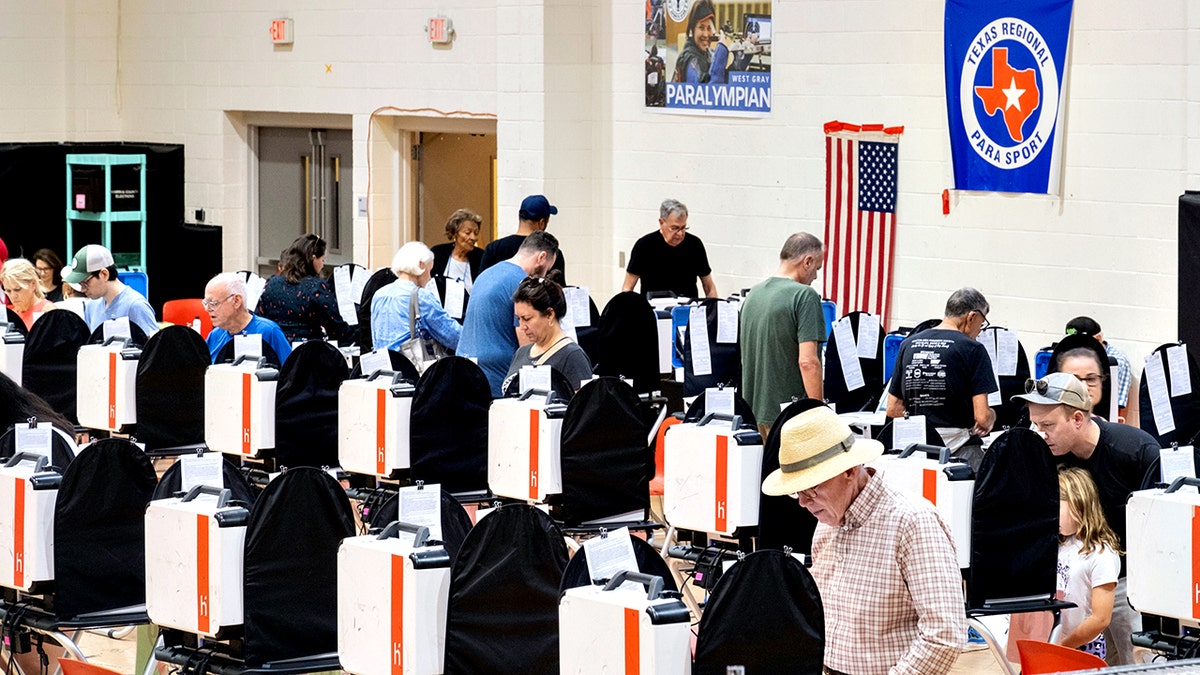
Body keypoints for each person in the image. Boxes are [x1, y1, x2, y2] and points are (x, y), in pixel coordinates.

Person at [761, 405, 965, 675]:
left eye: (811, 488)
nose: (802, 502)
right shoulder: (826, 523)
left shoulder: (913, 522)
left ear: (848, 471)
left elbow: (944, 636)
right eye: (796, 492)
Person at [1015, 372, 1159, 666]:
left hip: (1130, 582)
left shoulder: (1134, 451)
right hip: (1076, 577)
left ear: (1078, 419)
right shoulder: (1047, 453)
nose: (1040, 434)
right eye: (1035, 424)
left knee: (1135, 662)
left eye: (1048, 425)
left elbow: (1162, 527)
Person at [886, 287, 997, 469]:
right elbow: (982, 417)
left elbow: (892, 409)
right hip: (959, 451)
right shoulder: (973, 349)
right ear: (972, 317)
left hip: (916, 451)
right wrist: (992, 417)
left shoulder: (908, 344)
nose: (980, 330)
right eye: (982, 323)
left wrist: (926, 422)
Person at [739, 233, 825, 437]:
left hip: (751, 415)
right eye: (817, 269)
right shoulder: (804, 296)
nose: (816, 277)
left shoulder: (753, 295)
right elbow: (808, 362)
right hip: (790, 418)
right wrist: (820, 415)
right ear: (808, 262)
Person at [458, 230, 559, 397]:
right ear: (541, 257)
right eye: (547, 269)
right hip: (497, 378)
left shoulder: (486, 274)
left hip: (465, 371)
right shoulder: (522, 282)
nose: (545, 275)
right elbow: (527, 344)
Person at [1055, 466, 1122, 660]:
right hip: (1053, 640)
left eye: (1057, 506)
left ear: (1078, 504)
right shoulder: (1060, 543)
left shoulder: (1101, 553)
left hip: (1082, 646)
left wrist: (1064, 646)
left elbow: (1100, 618)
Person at [255, 233, 355, 345]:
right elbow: (336, 328)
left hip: (276, 348)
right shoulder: (316, 288)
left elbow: (260, 318)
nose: (322, 265)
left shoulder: (271, 283)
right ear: (313, 258)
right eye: (323, 260)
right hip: (307, 353)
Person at [501, 275, 593, 394]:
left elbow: (581, 408)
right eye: (518, 319)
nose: (522, 326)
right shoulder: (521, 352)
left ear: (549, 314)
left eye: (527, 318)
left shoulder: (572, 356)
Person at [370, 241, 462, 353]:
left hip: (383, 365)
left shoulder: (379, 294)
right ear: (421, 265)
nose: (429, 278)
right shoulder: (421, 297)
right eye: (429, 271)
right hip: (409, 365)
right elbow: (452, 335)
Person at [621, 198, 717, 298]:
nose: (680, 234)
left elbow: (709, 287)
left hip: (686, 310)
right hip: (654, 310)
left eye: (683, 228)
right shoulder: (644, 246)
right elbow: (627, 288)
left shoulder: (695, 245)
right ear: (661, 222)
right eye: (675, 228)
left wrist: (714, 310)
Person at [61, 244, 159, 336]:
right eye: (79, 283)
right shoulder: (91, 305)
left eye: (85, 282)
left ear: (104, 274)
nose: (82, 289)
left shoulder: (136, 306)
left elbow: (154, 349)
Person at [203, 272, 293, 365]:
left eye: (213, 303)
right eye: (205, 303)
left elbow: (291, 372)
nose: (207, 309)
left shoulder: (269, 331)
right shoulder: (214, 336)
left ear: (236, 301)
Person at [478, 195, 566, 282]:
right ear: (542, 223)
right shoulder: (551, 254)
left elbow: (481, 282)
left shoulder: (493, 248)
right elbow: (560, 291)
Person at [1065, 316, 1133, 418]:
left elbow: (1116, 406)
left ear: (1098, 339)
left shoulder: (1117, 361)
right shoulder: (1067, 357)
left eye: (1080, 344)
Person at [672, 0, 752, 84]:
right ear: (692, 29)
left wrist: (742, 58)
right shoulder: (690, 58)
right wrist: (721, 51)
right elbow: (710, 91)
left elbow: (725, 82)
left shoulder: (709, 53)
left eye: (709, 28)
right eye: (701, 28)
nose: (706, 34)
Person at [430, 208, 484, 293]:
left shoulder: (480, 257)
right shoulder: (438, 253)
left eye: (476, 233)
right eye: (467, 233)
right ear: (455, 233)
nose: (473, 238)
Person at [0, 258, 55, 330]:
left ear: (33, 284)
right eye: (8, 291)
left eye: (17, 289)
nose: (13, 296)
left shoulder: (48, 312)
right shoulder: (10, 315)